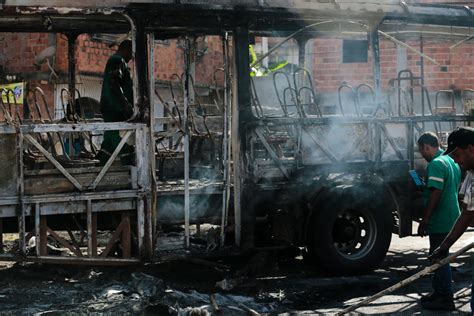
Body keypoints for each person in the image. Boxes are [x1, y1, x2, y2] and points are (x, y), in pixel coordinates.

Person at [430, 126, 474, 312]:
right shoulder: (471, 175)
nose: (456, 161)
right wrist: (445, 246)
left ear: (471, 149)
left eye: (457, 155)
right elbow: (468, 213)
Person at [417, 132, 461, 311]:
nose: (422, 155)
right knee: (440, 256)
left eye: (421, 151)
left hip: (441, 219)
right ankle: (439, 292)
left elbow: (436, 193)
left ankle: (445, 298)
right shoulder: (450, 160)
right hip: (452, 216)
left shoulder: (435, 163)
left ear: (426, 146)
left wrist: (425, 219)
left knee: (439, 257)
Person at [96, 40, 135, 165]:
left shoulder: (116, 60)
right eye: (131, 52)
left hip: (112, 107)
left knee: (109, 138)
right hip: (114, 107)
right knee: (115, 135)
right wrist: (125, 104)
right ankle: (128, 159)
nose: (132, 56)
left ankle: (101, 162)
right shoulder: (117, 60)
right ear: (126, 49)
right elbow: (114, 82)